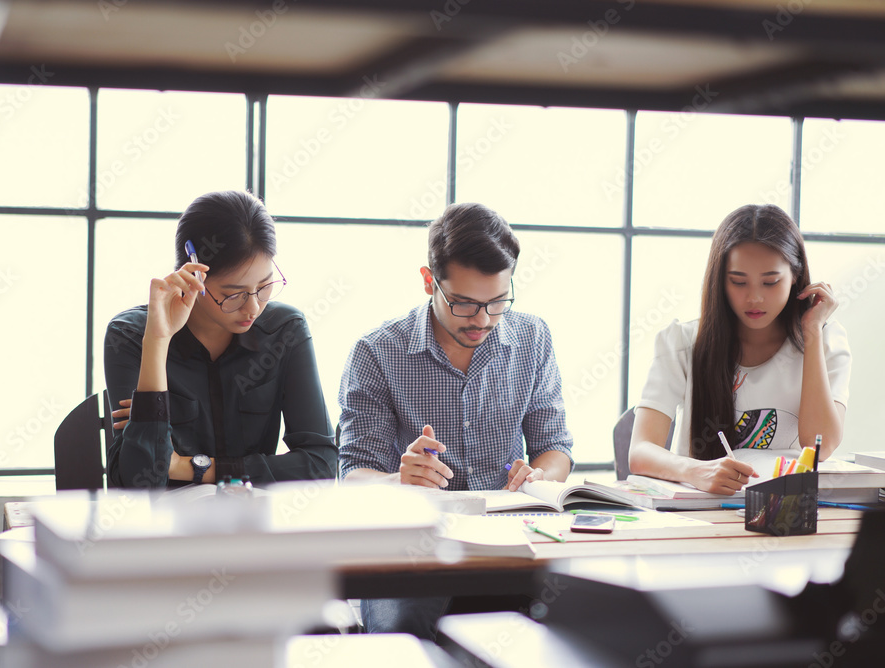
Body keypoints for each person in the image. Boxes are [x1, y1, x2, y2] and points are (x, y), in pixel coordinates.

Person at [338, 202, 573, 638]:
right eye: (464, 304)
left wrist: (539, 474)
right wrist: (398, 480)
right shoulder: (376, 353)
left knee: (577, 622)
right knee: (402, 634)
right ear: (429, 281)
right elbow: (353, 475)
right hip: (413, 554)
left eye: (498, 302)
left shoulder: (532, 338)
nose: (482, 320)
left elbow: (555, 445)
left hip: (511, 544)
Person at [104, 190, 336, 489]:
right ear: (194, 274)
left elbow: (321, 466)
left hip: (253, 523)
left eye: (265, 286)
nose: (253, 307)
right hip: (164, 528)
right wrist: (158, 342)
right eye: (233, 294)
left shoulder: (284, 331)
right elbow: (138, 480)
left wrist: (195, 468)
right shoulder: (132, 335)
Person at [630, 204, 851, 494]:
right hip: (703, 512)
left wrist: (811, 334)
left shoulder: (826, 341)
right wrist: (694, 470)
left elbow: (819, 447)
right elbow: (640, 451)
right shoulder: (682, 342)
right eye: (738, 282)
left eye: (771, 282)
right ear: (720, 280)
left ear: (796, 275)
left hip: (786, 513)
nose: (755, 298)